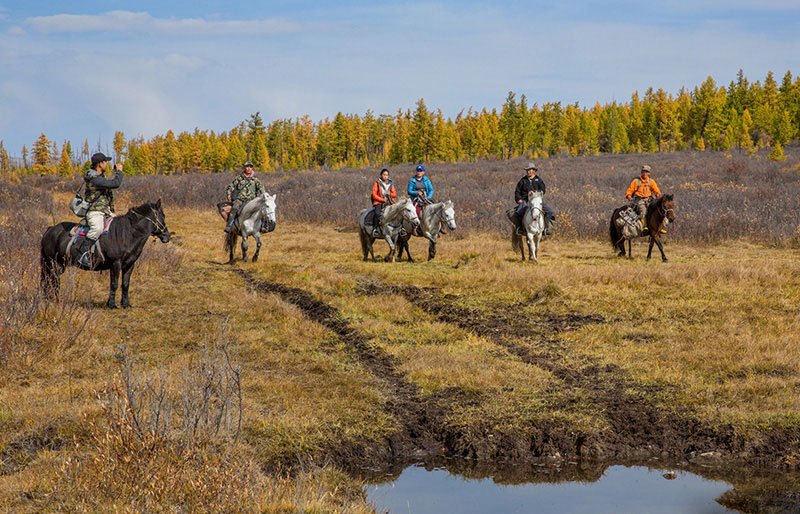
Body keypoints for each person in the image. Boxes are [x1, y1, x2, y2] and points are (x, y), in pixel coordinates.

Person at [77, 152, 123, 267]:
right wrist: (119, 172)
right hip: (94, 211)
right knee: (97, 229)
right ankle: (83, 253)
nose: (107, 164)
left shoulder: (99, 177)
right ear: (99, 164)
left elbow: (108, 183)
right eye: (105, 162)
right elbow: (115, 184)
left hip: (105, 211)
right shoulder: (93, 178)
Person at [511, 162, 555, 236]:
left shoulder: (539, 180)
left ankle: (546, 228)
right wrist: (518, 199)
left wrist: (536, 194)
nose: (528, 171)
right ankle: (520, 228)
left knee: (550, 211)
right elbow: (517, 191)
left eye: (530, 170)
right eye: (527, 170)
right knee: (518, 213)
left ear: (534, 170)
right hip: (526, 200)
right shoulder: (523, 180)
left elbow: (543, 190)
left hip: (536, 201)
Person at [224, 161, 266, 233]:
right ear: (244, 168)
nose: (248, 168)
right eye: (247, 167)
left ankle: (262, 226)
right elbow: (231, 186)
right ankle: (229, 225)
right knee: (235, 207)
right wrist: (228, 194)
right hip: (241, 199)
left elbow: (261, 188)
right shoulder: (239, 178)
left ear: (252, 168)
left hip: (252, 200)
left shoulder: (255, 179)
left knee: (261, 209)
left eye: (250, 167)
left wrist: (264, 196)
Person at [625, 164, 662, 233]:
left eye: (646, 172)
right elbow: (629, 191)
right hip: (639, 200)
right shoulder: (636, 181)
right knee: (643, 210)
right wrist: (629, 196)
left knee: (658, 210)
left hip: (649, 199)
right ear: (641, 172)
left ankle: (659, 227)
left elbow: (656, 190)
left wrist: (657, 194)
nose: (645, 173)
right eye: (643, 171)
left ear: (649, 173)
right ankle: (644, 226)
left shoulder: (651, 182)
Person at [371, 168, 397, 237]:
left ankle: (400, 229)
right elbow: (374, 194)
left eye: (387, 175)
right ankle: (375, 229)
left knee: (398, 211)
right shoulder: (377, 183)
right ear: (381, 175)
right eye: (384, 175)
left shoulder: (390, 183)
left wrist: (390, 194)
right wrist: (382, 199)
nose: (385, 176)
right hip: (379, 202)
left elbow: (394, 194)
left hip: (389, 201)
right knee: (377, 213)